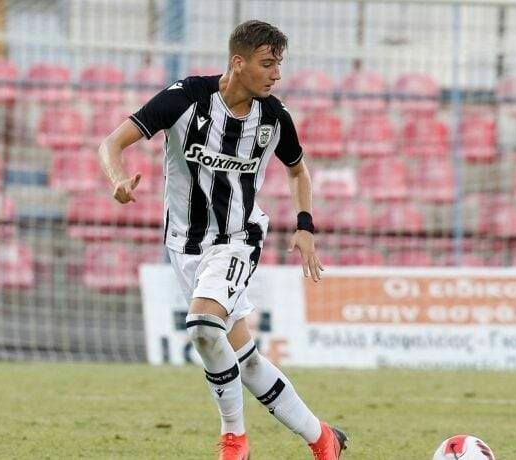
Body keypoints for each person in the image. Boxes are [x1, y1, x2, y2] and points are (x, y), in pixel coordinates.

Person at [98, 19, 347, 460]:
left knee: (201, 326)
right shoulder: (184, 99)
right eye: (267, 64)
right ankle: (324, 439)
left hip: (237, 239)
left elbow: (297, 171)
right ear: (238, 62)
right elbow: (112, 144)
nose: (276, 74)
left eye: (279, 64)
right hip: (182, 244)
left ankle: (235, 441)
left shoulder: (274, 117)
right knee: (244, 358)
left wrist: (305, 225)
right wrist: (118, 179)